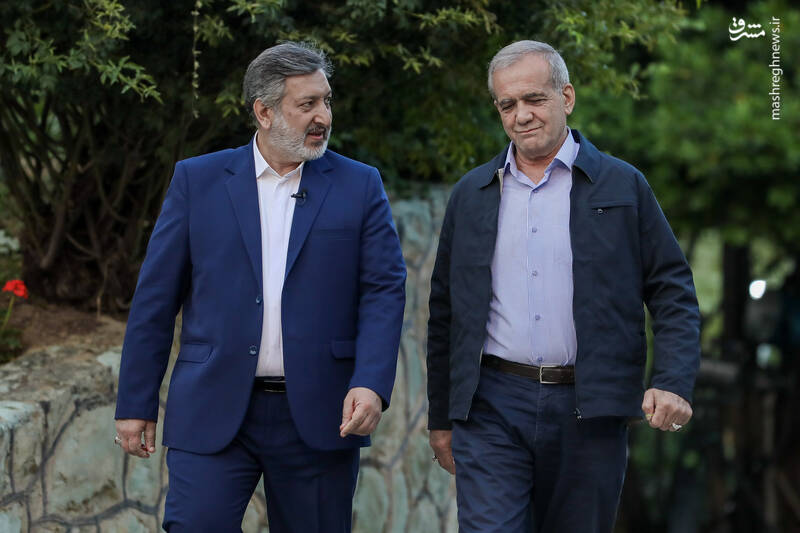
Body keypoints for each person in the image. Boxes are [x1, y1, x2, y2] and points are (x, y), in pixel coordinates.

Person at [114, 42, 406, 532]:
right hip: (212, 407)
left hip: (321, 414)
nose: (323, 116)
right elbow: (155, 299)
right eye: (307, 104)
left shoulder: (360, 184)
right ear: (264, 112)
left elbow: (384, 290)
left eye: (326, 101)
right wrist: (135, 402)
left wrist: (371, 382)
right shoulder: (197, 180)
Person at [426, 40, 700, 533]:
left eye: (534, 99)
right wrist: (442, 416)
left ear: (566, 97)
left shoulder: (622, 186)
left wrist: (673, 380)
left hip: (590, 407)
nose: (521, 115)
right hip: (492, 406)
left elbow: (671, 289)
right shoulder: (471, 194)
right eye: (507, 104)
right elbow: (445, 311)